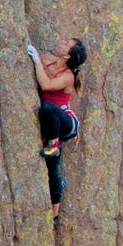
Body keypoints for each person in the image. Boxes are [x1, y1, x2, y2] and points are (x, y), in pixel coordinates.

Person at [29, 38, 87, 204]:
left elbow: (46, 85)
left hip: (66, 122)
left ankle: (53, 145)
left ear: (67, 56)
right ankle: (55, 212)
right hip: (52, 121)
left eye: (66, 44)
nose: (62, 42)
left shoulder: (68, 76)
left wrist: (37, 62)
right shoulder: (51, 62)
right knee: (52, 169)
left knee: (48, 108)